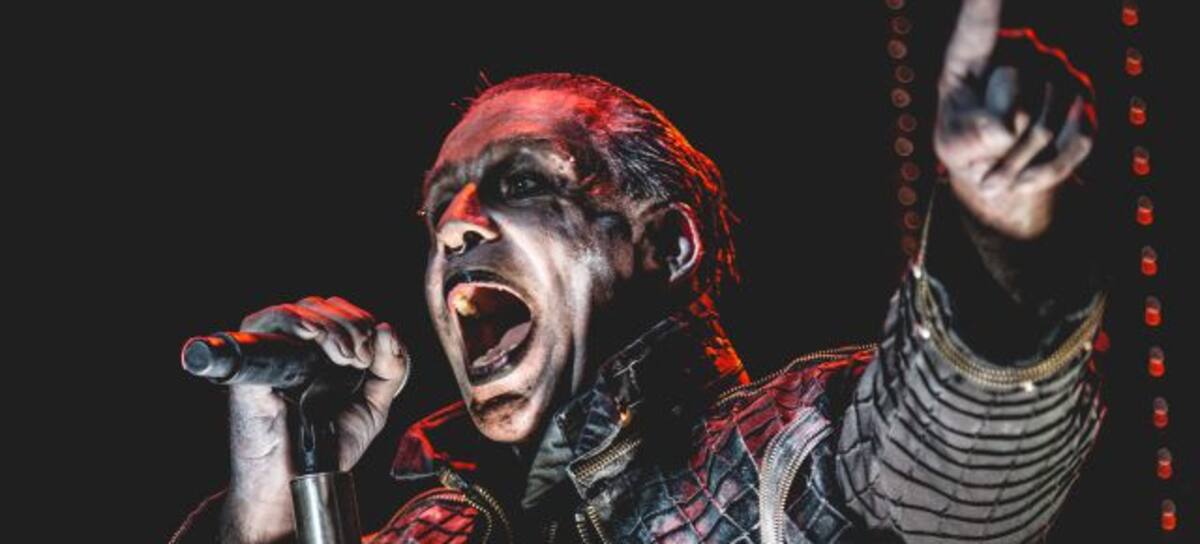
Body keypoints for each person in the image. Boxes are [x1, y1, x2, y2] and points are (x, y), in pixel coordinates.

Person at [172, 1, 1108, 541]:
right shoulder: (421, 525)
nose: (455, 227)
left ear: (666, 246)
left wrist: (1000, 233)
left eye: (522, 182)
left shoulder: (777, 458)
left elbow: (952, 461)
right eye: (437, 208)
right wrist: (267, 505)